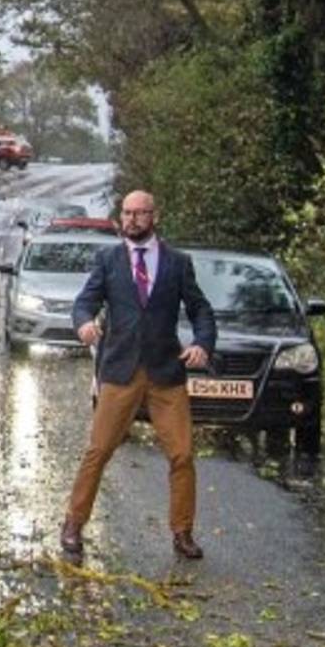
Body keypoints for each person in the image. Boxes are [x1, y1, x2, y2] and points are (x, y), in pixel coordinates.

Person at [62, 189, 216, 560]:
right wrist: (84, 323)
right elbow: (84, 302)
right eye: (127, 213)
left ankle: (182, 532)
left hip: (166, 372)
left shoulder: (178, 263)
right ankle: (73, 524)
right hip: (120, 371)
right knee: (99, 450)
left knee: (182, 455)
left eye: (140, 213)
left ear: (154, 216)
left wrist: (202, 343)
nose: (132, 220)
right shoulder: (108, 259)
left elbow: (201, 310)